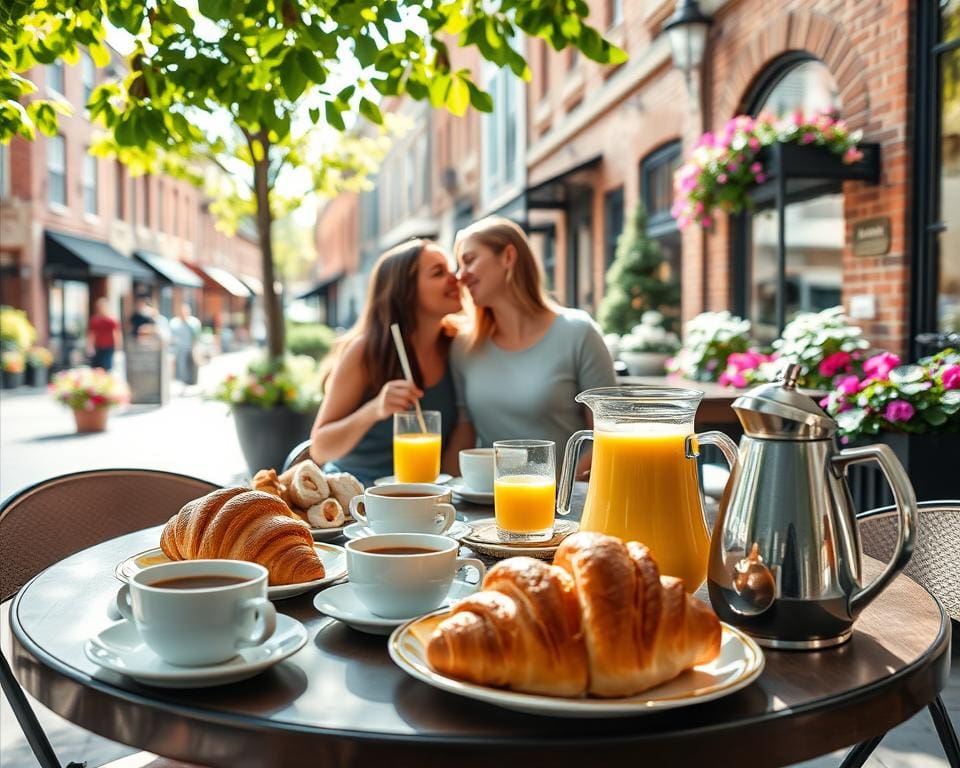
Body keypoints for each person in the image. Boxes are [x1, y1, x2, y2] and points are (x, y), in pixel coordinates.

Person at [448, 217, 616, 473]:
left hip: (567, 504)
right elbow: (465, 431)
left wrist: (564, 493)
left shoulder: (578, 332)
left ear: (508, 256)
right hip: (490, 503)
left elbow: (607, 433)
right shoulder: (463, 347)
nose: (460, 276)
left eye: (469, 260)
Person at [309, 239, 464, 487]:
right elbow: (320, 448)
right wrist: (374, 409)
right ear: (406, 290)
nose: (455, 278)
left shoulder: (456, 347)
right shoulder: (366, 351)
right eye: (439, 273)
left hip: (422, 495)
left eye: (451, 269)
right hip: (357, 496)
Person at [86, 297, 122, 372]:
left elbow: (116, 334)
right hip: (98, 347)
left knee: (107, 368)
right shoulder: (94, 320)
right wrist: (90, 347)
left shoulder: (111, 320)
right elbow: (92, 335)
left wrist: (118, 347)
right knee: (96, 368)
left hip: (109, 347)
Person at [169, 303, 201, 386]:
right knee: (181, 367)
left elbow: (196, 337)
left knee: (191, 367)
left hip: (191, 349)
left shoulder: (194, 322)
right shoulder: (174, 323)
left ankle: (190, 383)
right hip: (179, 350)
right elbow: (171, 338)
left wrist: (196, 349)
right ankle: (182, 382)